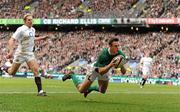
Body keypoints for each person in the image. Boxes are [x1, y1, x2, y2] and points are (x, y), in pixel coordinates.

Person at [1, 13, 48, 96]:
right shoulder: (21, 29)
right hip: (20, 53)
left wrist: (41, 38)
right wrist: (11, 52)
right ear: (25, 21)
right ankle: (4, 67)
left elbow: (32, 38)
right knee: (12, 72)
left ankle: (40, 91)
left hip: (29, 54)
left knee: (36, 70)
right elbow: (11, 40)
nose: (31, 21)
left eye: (31, 20)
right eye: (29, 20)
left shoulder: (33, 29)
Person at [62, 38, 127, 97]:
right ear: (110, 46)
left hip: (106, 69)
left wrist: (121, 65)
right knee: (81, 90)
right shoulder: (103, 55)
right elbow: (100, 72)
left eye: (118, 46)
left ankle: (90, 89)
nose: (118, 48)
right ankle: (72, 75)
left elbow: (124, 72)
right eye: (115, 46)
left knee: (102, 90)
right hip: (95, 70)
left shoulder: (121, 55)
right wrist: (110, 65)